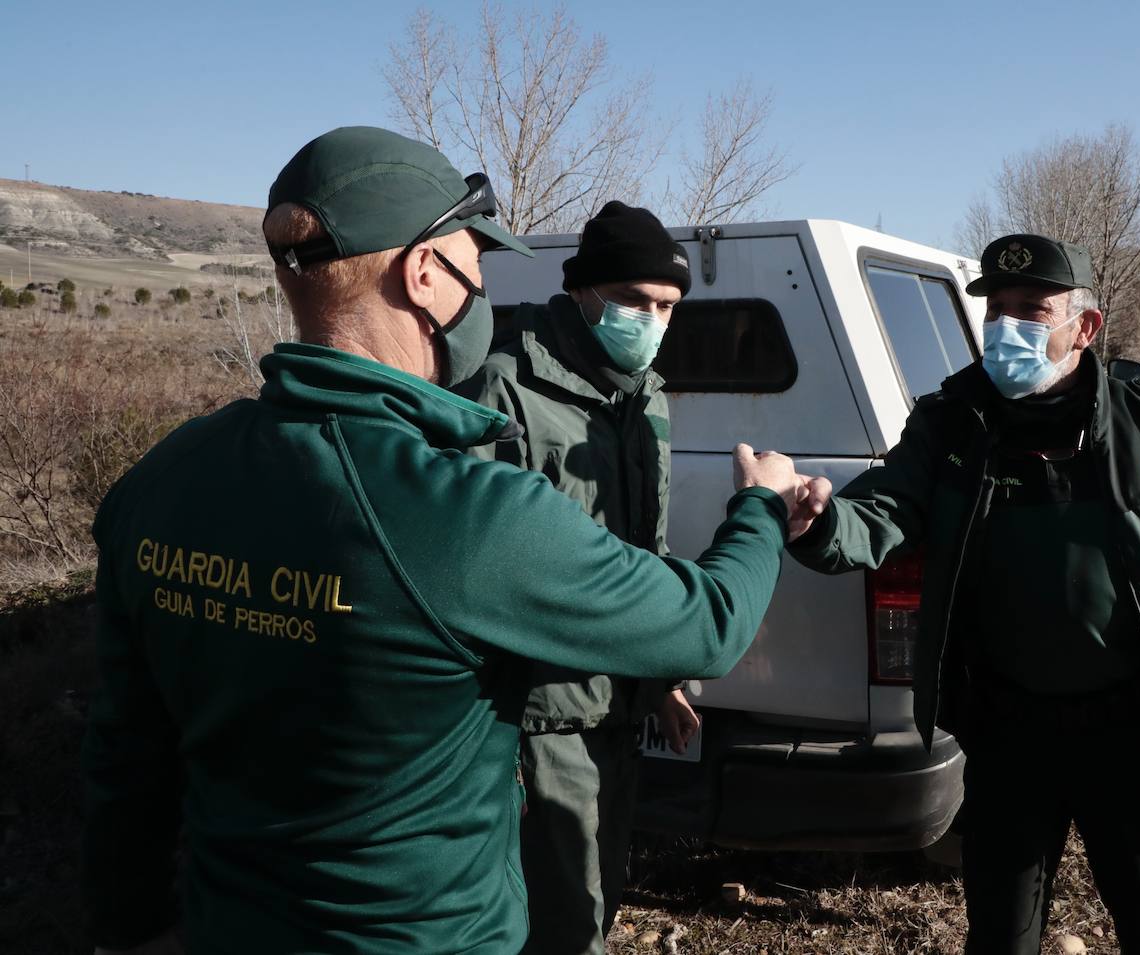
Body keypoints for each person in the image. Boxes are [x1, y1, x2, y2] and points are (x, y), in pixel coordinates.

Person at [81, 126, 816, 955]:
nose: (482, 299)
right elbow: (709, 622)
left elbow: (125, 756)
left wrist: (127, 928)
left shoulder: (163, 483)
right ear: (422, 273)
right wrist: (759, 508)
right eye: (475, 269)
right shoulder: (465, 514)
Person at [780, 233, 1140, 954]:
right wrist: (821, 522)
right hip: (1010, 727)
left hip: (1138, 729)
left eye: (1032, 310)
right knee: (1001, 933)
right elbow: (883, 511)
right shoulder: (951, 423)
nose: (1007, 326)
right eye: (996, 309)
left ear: (1086, 326)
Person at [456, 201, 695, 954]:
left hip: (617, 713)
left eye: (667, 307)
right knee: (558, 928)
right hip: (537, 719)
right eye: (637, 302)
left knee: (600, 906)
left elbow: (643, 555)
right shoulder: (508, 388)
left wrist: (661, 675)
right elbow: (470, 569)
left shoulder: (644, 393)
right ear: (585, 291)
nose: (652, 321)